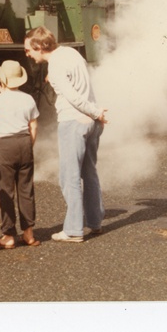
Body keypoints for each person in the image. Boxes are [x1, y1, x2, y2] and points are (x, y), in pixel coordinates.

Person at [24, 26, 107, 243]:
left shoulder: (56, 64)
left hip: (74, 121)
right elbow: (86, 88)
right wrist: (95, 113)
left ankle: (73, 230)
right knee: (89, 172)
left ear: (40, 47)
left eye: (28, 50)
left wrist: (96, 112)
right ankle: (95, 222)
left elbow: (72, 97)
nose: (27, 54)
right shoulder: (70, 53)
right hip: (90, 122)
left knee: (68, 177)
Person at [0, 60, 40, 249]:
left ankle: (8, 235)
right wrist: (28, 145)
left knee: (6, 191)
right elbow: (33, 125)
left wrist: (2, 98)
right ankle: (29, 234)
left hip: (5, 145)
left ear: (2, 79)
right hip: (24, 142)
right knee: (26, 189)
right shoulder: (28, 99)